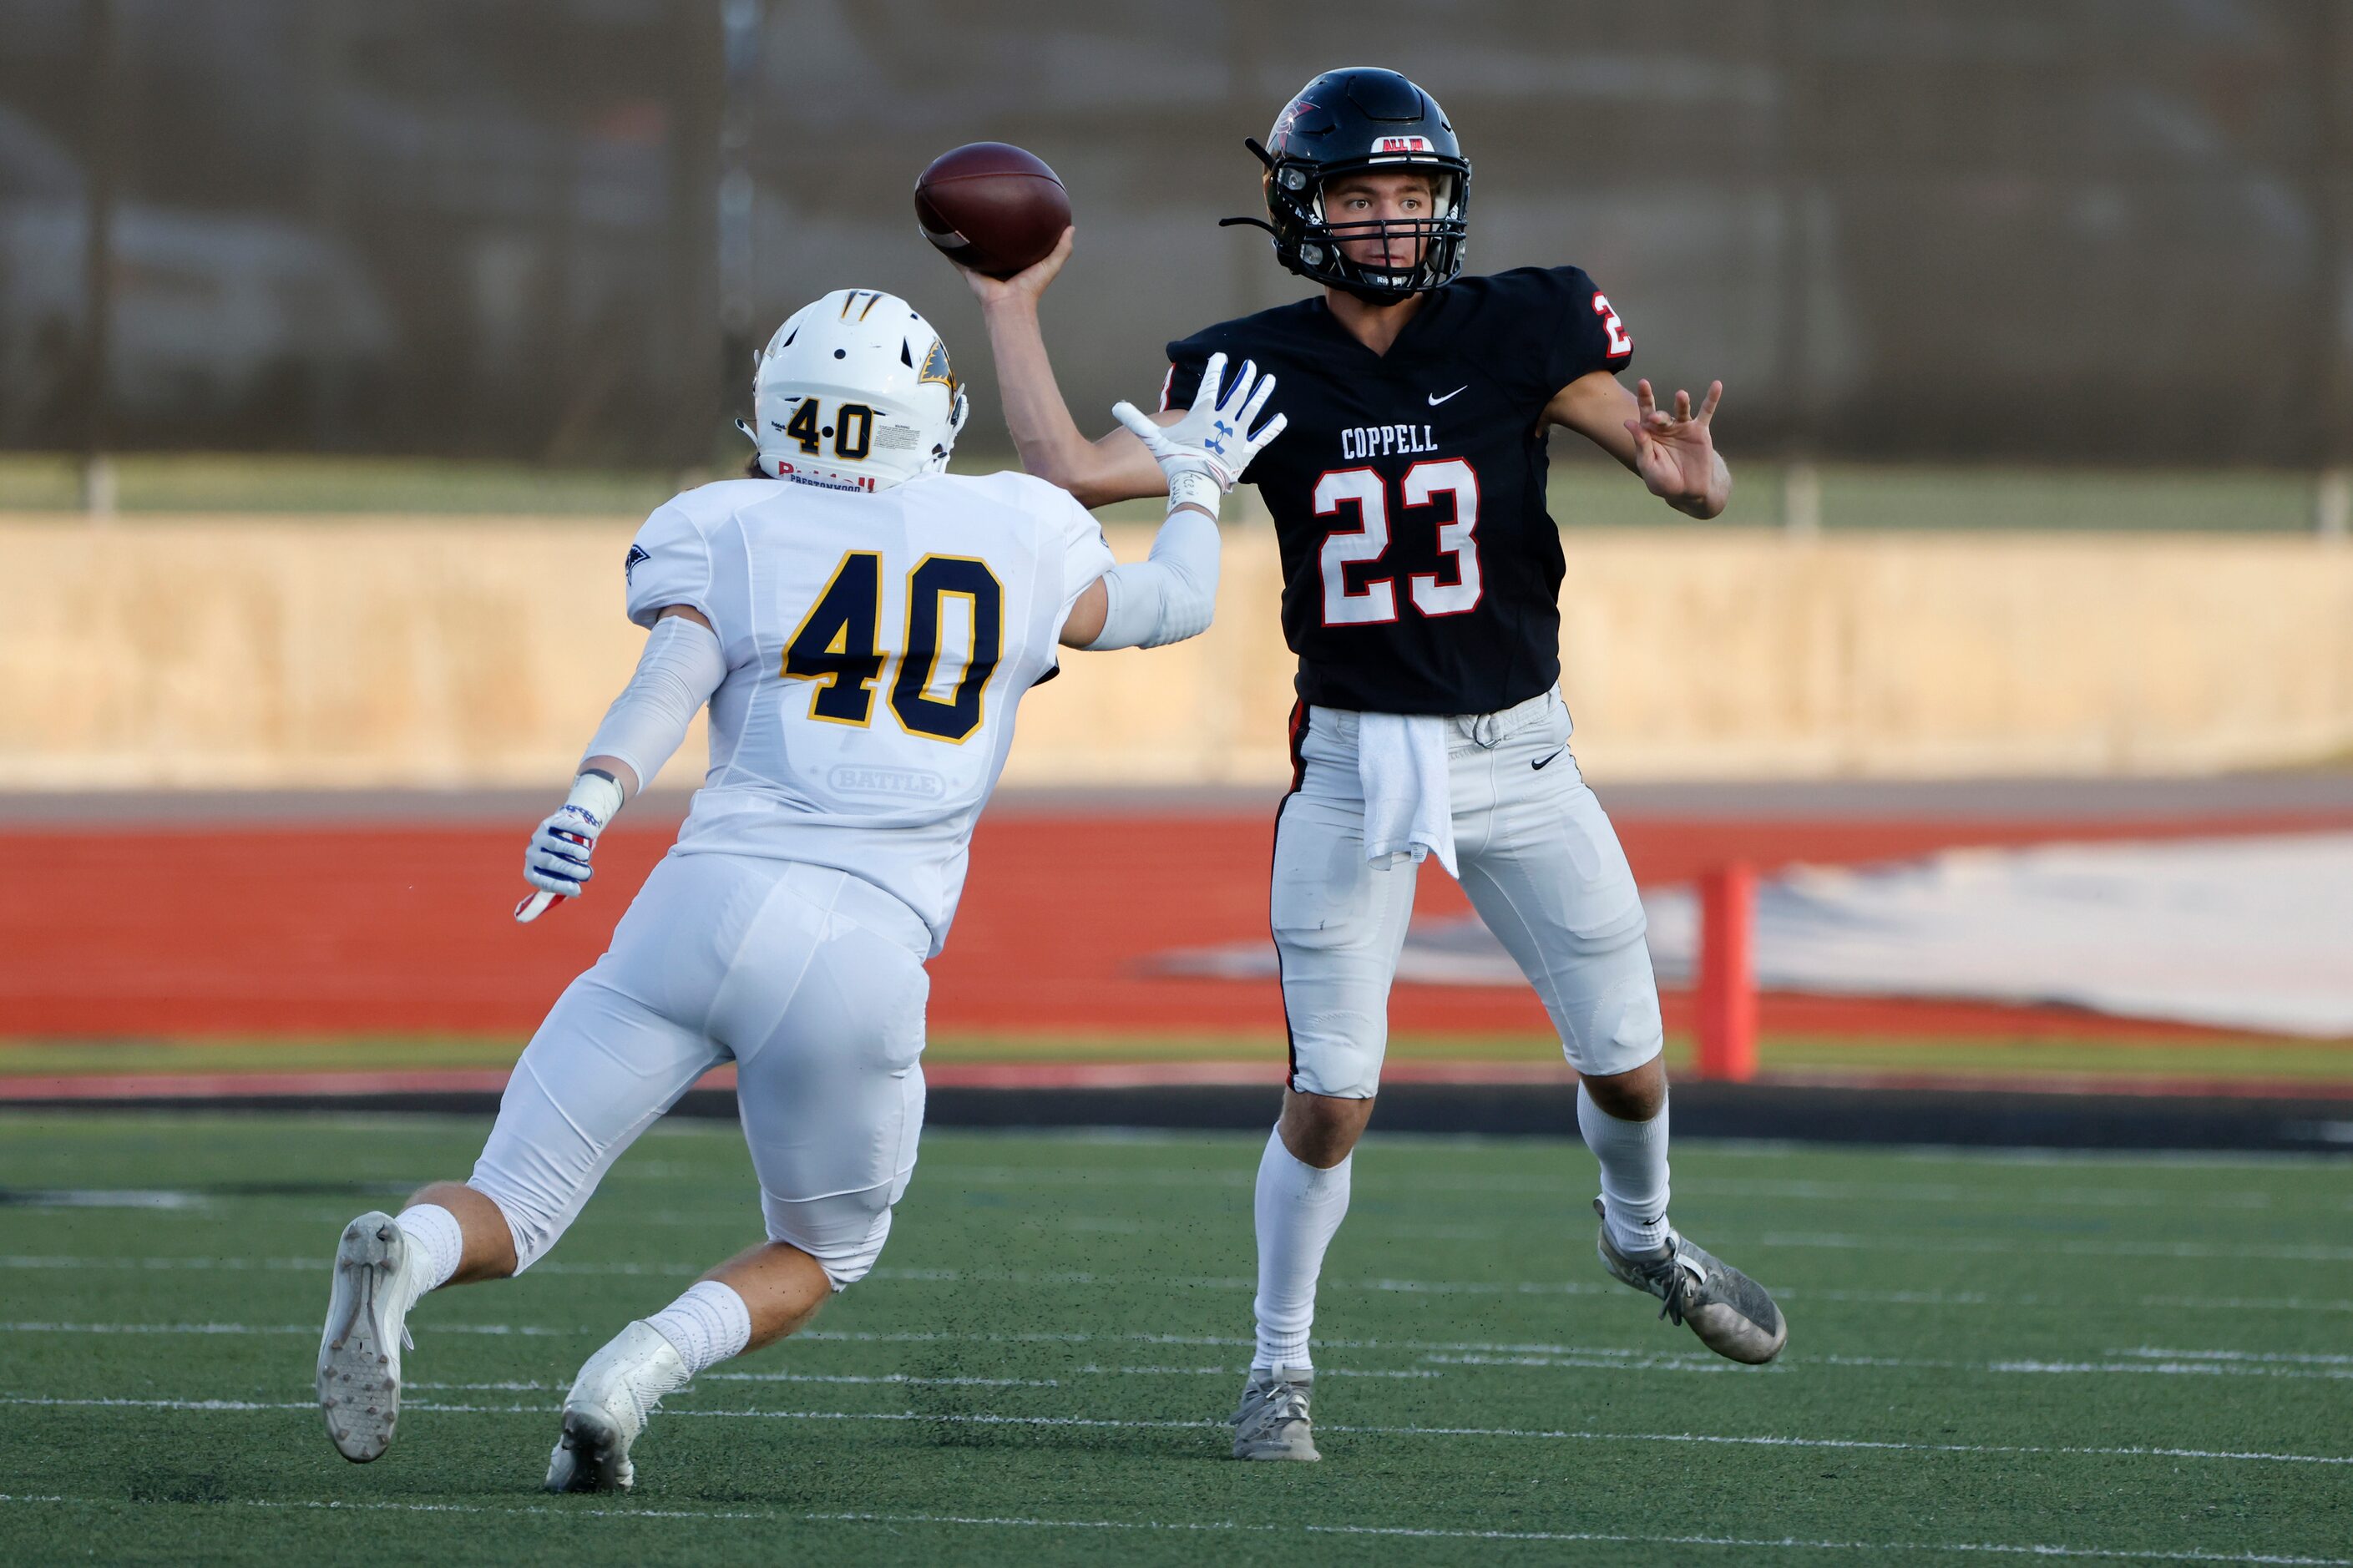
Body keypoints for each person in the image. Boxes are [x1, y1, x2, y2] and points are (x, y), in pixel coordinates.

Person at [313, 287, 1286, 1491]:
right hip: (862, 947)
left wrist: (591, 798)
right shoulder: (1016, 525)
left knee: (510, 1204)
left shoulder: (727, 521)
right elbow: (1171, 604)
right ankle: (627, 1375)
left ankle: (403, 1252)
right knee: (825, 1245)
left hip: (694, 905)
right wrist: (1196, 485)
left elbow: (667, 676)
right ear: (923, 414)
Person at [961, 67, 1785, 1464]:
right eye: (1361, 195)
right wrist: (1008, 303)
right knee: (1331, 1098)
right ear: (1303, 209)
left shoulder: (1526, 324)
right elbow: (1059, 469)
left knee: (1634, 1071)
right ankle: (1278, 1367)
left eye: (1413, 195)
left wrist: (1691, 479)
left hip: (1522, 754)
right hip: (1351, 764)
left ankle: (1640, 1240)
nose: (1393, 221)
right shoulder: (1253, 363)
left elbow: (1658, 458)